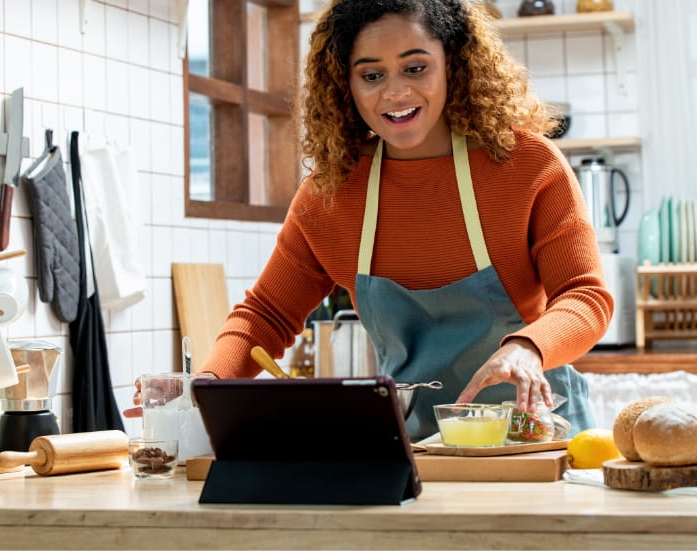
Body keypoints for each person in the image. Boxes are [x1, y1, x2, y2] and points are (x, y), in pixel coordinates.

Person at [155, 0, 612, 440]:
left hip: (537, 435)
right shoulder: (331, 193)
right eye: (372, 75)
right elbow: (266, 316)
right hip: (415, 446)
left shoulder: (526, 166)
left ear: (452, 63)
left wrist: (527, 347)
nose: (395, 93)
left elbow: (585, 297)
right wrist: (203, 383)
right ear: (344, 83)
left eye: (415, 68)